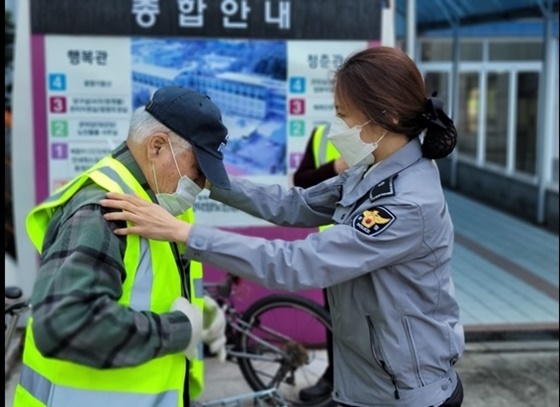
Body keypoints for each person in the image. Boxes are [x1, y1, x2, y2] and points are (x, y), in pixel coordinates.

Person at [100, 46, 465, 407]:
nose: (336, 126)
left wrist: (185, 234)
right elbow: (296, 204)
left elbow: (296, 264)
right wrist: (209, 179)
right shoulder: (371, 169)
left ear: (388, 118)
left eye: (344, 115)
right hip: (371, 383)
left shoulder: (407, 203)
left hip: (406, 393)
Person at [14, 86, 229, 407]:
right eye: (197, 170)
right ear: (157, 147)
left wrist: (200, 306)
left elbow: (149, 284)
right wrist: (182, 330)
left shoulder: (159, 201)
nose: (200, 185)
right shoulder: (101, 209)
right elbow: (65, 324)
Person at [292, 124, 347, 402]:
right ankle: (334, 378)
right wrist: (336, 166)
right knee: (334, 319)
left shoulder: (382, 132)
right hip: (333, 248)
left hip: (371, 247)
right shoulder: (323, 133)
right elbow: (301, 180)